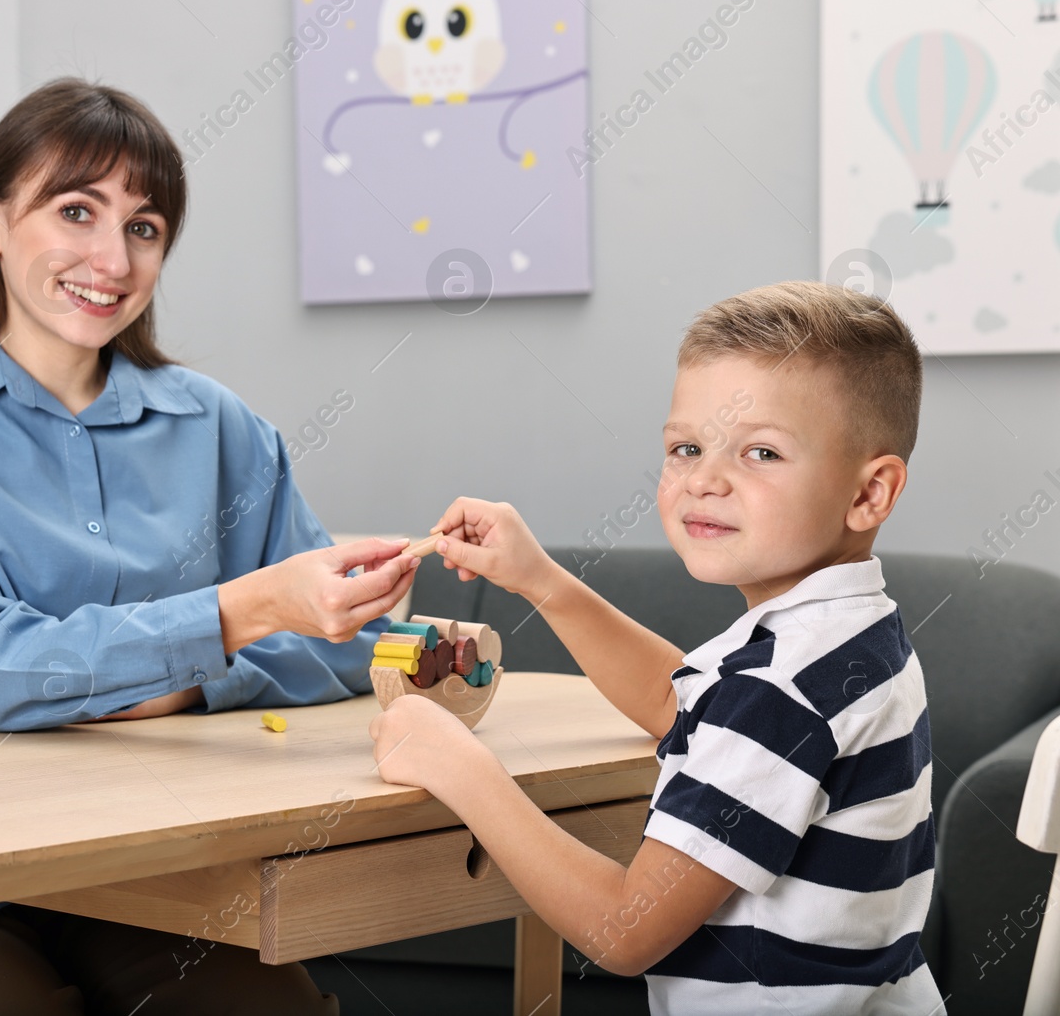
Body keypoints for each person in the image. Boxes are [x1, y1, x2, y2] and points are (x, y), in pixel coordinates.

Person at [0, 77, 419, 1015]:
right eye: (75, 211)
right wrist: (235, 616)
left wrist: (191, 681)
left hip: (152, 865)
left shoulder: (220, 426)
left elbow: (348, 644)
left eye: (143, 227)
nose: (112, 257)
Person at [369, 281, 944, 1014]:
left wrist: (462, 768)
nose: (705, 479)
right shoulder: (848, 635)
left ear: (869, 493)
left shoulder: (778, 689)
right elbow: (681, 705)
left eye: (761, 451)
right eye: (686, 447)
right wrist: (540, 580)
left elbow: (625, 926)